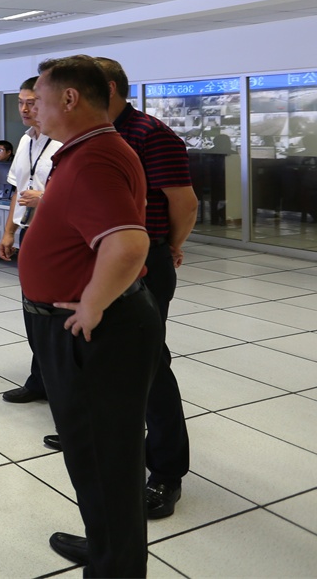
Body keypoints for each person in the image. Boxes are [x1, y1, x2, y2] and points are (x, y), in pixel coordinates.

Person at [20, 55, 160, 576]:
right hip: (95, 325)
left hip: (98, 331)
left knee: (104, 461)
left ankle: (115, 566)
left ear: (70, 98)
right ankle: (106, 545)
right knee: (95, 459)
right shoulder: (90, 149)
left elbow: (128, 244)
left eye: (39, 98)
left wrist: (93, 303)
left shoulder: (93, 159)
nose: (33, 108)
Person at [89, 56, 198, 521]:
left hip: (143, 261)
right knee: (105, 359)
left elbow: (184, 203)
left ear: (109, 88)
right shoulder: (93, 134)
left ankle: (166, 471)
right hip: (98, 259)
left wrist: (168, 245)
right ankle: (111, 445)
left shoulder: (151, 134)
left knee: (149, 364)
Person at [0, 76, 58, 404]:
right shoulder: (25, 141)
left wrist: (45, 199)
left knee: (54, 314)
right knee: (32, 310)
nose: (24, 109)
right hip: (28, 233)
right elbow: (18, 191)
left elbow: (81, 195)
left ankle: (60, 385)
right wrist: (9, 230)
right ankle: (40, 380)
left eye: (31, 103)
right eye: (20, 102)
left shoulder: (63, 141)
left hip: (57, 236)